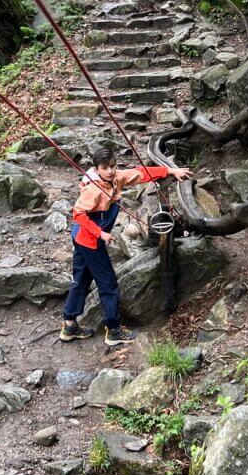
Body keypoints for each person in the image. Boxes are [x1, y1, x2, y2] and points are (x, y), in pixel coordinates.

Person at [60, 147, 192, 346]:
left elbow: (140, 173)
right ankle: (114, 330)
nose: (111, 171)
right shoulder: (94, 189)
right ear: (97, 169)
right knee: (108, 283)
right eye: (105, 168)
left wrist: (171, 172)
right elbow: (78, 214)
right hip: (89, 240)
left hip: (81, 238)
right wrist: (101, 233)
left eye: (113, 166)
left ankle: (69, 325)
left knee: (81, 279)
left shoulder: (116, 178)